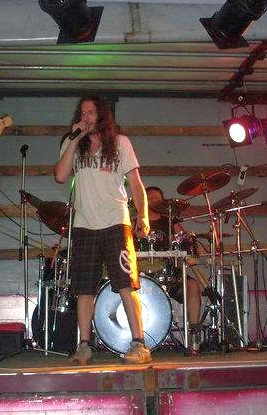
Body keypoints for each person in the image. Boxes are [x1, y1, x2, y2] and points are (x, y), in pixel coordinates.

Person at [54, 96, 152, 365]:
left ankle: (139, 344)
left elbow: (136, 183)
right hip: (84, 225)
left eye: (91, 112)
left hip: (115, 222)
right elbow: (60, 176)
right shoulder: (73, 143)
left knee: (125, 283)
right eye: (82, 112)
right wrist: (74, 138)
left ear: (102, 115)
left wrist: (143, 215)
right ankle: (84, 346)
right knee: (84, 288)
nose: (86, 116)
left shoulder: (120, 143)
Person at [145, 186, 205, 353]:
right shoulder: (136, 222)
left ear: (163, 202)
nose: (152, 201)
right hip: (144, 275)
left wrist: (190, 246)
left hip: (170, 273)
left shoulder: (171, 222)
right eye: (149, 198)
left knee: (192, 286)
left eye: (156, 198)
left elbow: (186, 242)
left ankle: (194, 333)